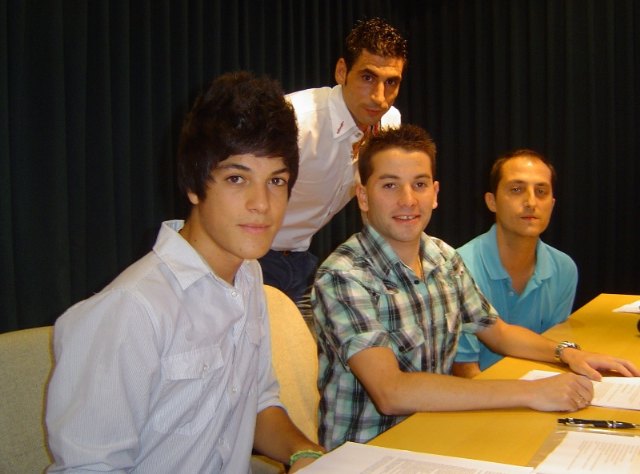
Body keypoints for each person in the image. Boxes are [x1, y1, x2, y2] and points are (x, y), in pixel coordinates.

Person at [46, 71, 324, 473]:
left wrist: (304, 453)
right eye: (237, 178)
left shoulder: (247, 277)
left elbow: (259, 403)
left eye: (276, 181)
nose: (262, 204)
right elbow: (89, 467)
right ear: (193, 186)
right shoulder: (130, 311)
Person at [311, 124, 639, 450]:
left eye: (419, 184)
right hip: (367, 454)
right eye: (390, 185)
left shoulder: (442, 257)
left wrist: (569, 354)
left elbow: (498, 332)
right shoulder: (343, 276)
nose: (408, 200)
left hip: (434, 434)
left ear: (435, 194)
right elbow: (391, 392)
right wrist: (533, 392)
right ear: (363, 197)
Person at [259, 17, 408, 313]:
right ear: (342, 71)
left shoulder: (390, 123)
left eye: (391, 82)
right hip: (249, 257)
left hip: (299, 262)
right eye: (368, 77)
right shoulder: (294, 120)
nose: (380, 98)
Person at [453, 150, 578, 377]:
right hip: (479, 393)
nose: (531, 202)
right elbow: (465, 370)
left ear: (552, 204)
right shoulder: (458, 266)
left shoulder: (564, 268)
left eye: (541, 192)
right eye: (517, 190)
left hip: (537, 388)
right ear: (492, 201)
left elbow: (553, 351)